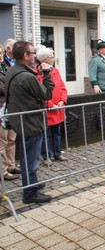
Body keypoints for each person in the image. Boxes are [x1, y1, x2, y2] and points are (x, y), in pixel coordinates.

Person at [5, 40, 54, 204]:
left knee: (27, 157)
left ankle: (31, 184)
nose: (34, 56)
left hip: (21, 121)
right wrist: (47, 74)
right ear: (26, 55)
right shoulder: (26, 76)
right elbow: (46, 94)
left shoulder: (12, 71)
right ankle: (30, 193)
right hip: (31, 122)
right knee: (31, 159)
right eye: (32, 53)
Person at [34, 48, 68, 166]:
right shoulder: (37, 73)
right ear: (46, 59)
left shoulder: (56, 71)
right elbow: (39, 92)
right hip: (47, 110)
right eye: (52, 56)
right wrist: (50, 104)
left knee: (57, 132)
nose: (54, 58)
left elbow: (62, 87)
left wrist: (62, 101)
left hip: (58, 109)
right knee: (46, 134)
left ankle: (57, 153)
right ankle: (46, 156)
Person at [0, 44, 19, 181]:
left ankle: (11, 165)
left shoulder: (5, 67)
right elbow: (3, 88)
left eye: (1, 53)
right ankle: (3, 170)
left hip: (10, 108)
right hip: (1, 110)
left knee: (11, 139)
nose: (0, 56)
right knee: (2, 141)